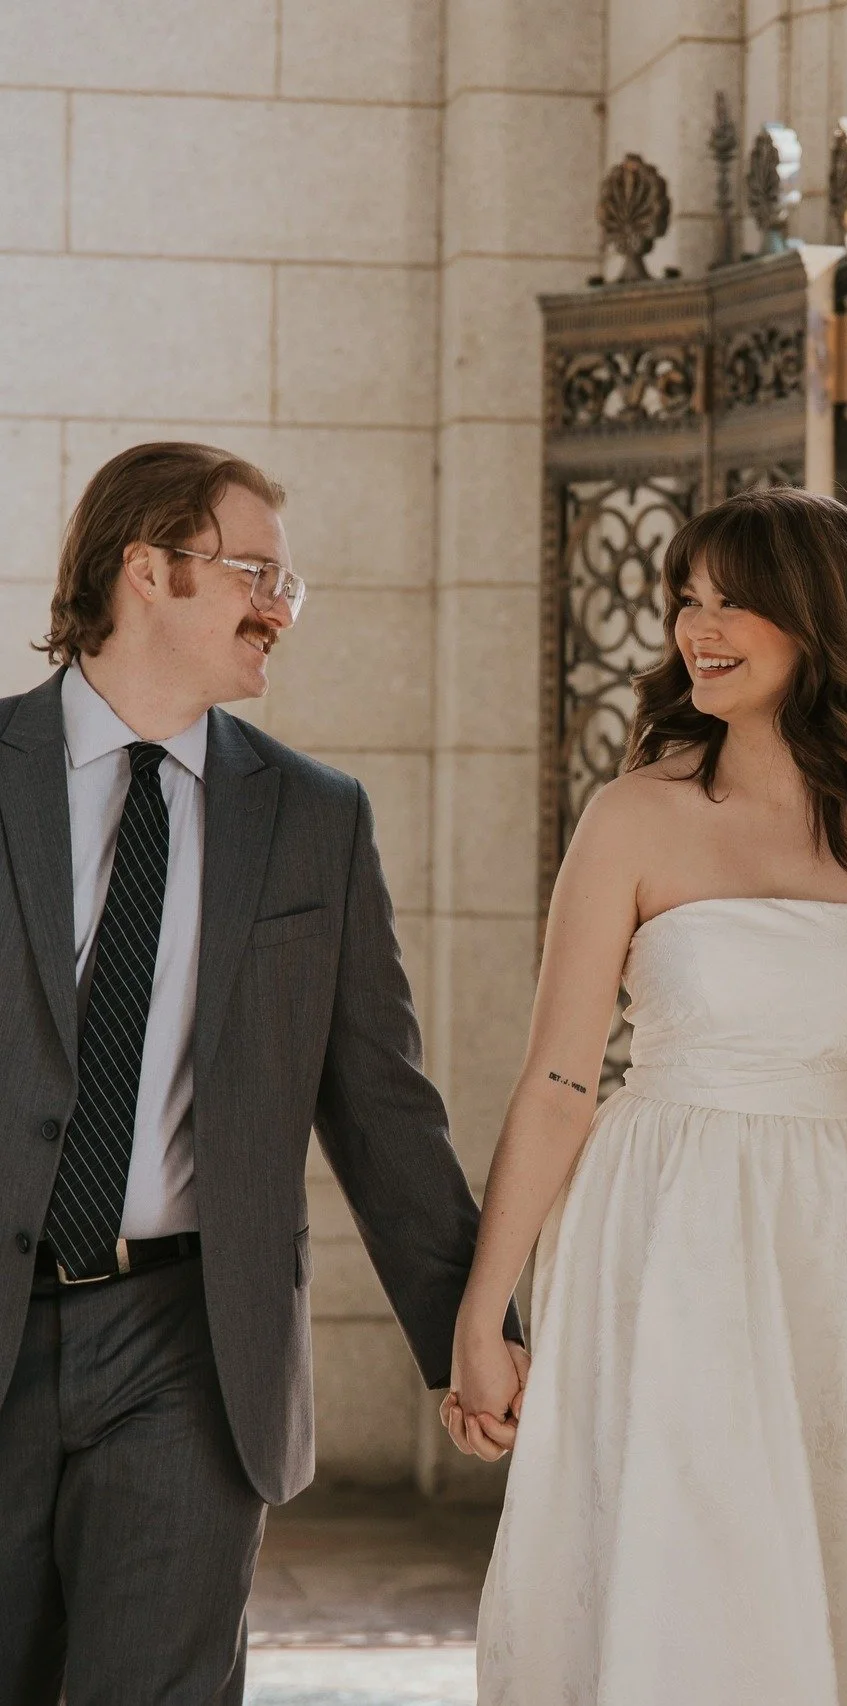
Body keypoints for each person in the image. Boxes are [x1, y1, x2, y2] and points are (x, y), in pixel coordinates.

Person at [444, 487, 847, 1703]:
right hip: (666, 1228)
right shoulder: (634, 813)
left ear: (820, 618)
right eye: (686, 599)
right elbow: (555, 1080)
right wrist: (486, 1313)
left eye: (733, 599)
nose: (700, 625)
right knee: (685, 1561)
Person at [0, 442, 522, 1706]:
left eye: (296, 581)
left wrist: (471, 1333)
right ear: (147, 568)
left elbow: (383, 1102)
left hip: (193, 1341)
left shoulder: (312, 817)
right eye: (257, 572)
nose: (283, 605)